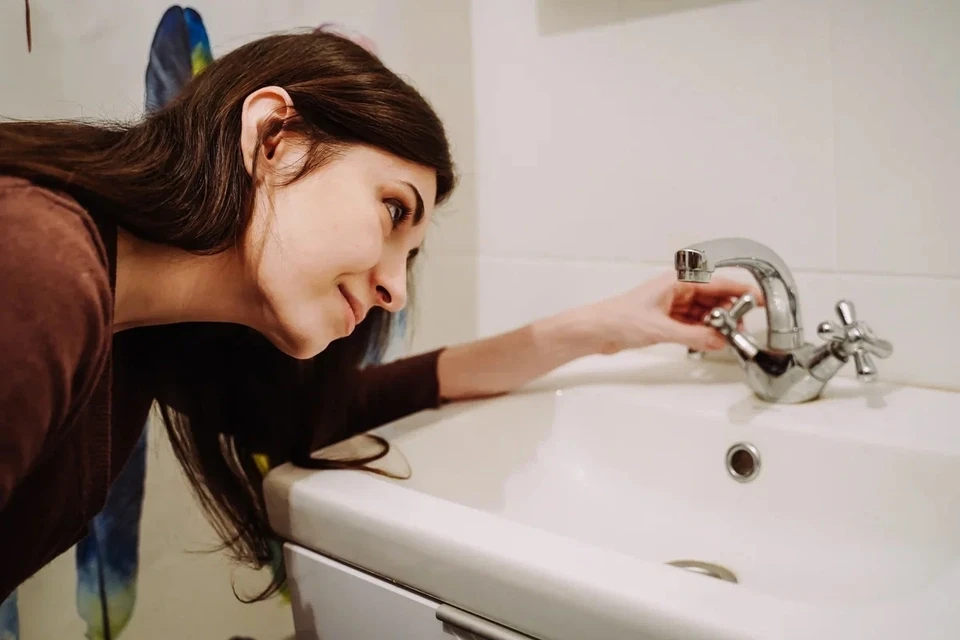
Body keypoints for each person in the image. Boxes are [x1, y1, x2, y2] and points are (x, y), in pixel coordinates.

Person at [0, 29, 758, 604]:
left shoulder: (150, 335)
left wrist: (606, 327)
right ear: (273, 138)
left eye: (411, 254)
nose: (394, 290)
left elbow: (350, 407)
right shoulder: (39, 263)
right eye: (394, 210)